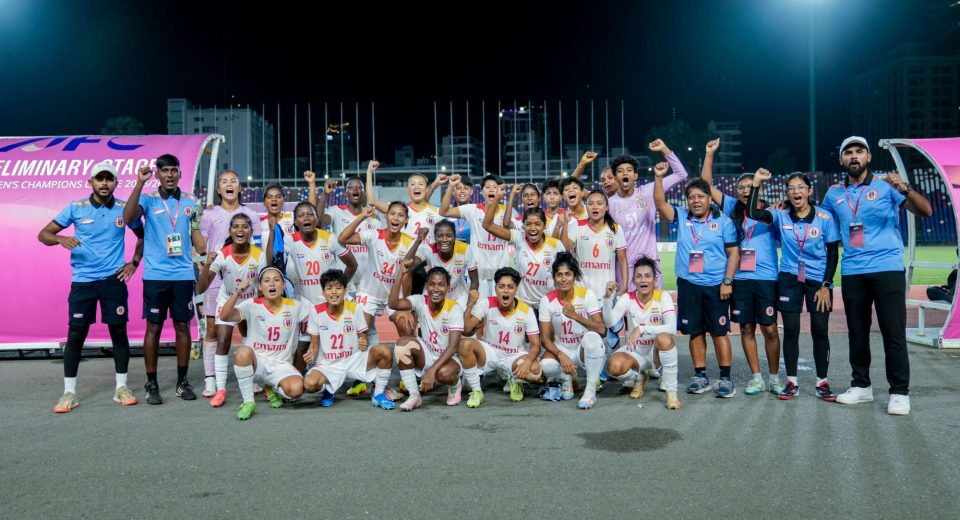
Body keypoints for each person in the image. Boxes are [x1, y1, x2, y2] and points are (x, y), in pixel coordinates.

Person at [822, 136, 932, 415]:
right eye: (848, 152)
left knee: (892, 332)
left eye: (859, 151)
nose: (854, 156)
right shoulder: (834, 194)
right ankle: (861, 386)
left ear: (869, 157)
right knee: (857, 333)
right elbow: (820, 226)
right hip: (853, 271)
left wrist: (904, 187)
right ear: (841, 160)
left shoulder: (887, 184)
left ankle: (899, 392)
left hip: (887, 268)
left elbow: (925, 211)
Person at [39, 161, 144, 412]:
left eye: (109, 179)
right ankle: (69, 393)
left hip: (113, 282)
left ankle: (121, 388)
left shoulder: (124, 210)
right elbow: (43, 234)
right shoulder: (76, 207)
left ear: (116, 184)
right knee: (76, 335)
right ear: (91, 182)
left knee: (118, 333)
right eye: (100, 179)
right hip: (83, 282)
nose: (105, 183)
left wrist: (134, 263)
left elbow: (143, 236)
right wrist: (61, 239)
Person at [748, 169, 840, 401]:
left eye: (800, 187)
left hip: (818, 281)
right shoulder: (781, 215)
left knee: (820, 330)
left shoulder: (825, 217)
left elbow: (832, 254)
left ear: (809, 191)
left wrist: (826, 285)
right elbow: (752, 212)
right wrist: (757, 183)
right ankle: (792, 381)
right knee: (791, 330)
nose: (796, 191)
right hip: (789, 278)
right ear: (787, 193)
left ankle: (822, 383)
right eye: (791, 188)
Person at [701, 140, 783, 396]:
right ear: (736, 192)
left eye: (751, 186)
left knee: (769, 328)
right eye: (742, 187)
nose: (746, 190)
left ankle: (774, 376)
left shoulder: (772, 212)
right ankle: (756, 377)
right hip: (740, 279)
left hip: (766, 278)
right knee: (746, 328)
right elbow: (705, 186)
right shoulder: (730, 207)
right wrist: (709, 154)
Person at [653, 162, 740, 398]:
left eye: (701, 196)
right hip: (688, 285)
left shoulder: (723, 222)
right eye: (691, 197)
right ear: (687, 201)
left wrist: (727, 281)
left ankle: (725, 378)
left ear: (709, 199)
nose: (696, 200)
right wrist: (658, 178)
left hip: (715, 285)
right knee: (695, 332)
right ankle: (700, 376)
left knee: (720, 332)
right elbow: (660, 203)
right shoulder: (681, 217)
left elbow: (734, 253)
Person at [123, 156, 203, 405]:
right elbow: (127, 218)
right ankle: (152, 384)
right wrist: (139, 183)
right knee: (154, 328)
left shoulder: (191, 202)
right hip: (156, 276)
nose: (169, 175)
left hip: (182, 274)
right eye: (164, 170)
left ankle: (182, 382)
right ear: (157, 174)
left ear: (179, 173)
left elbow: (199, 239)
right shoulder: (147, 199)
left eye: (173, 171)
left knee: (182, 327)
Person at [196, 170, 263, 398]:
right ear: (218, 189)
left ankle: (252, 375)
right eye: (224, 182)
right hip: (218, 277)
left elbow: (258, 248)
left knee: (248, 327)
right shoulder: (208, 214)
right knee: (213, 330)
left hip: (244, 278)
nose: (229, 184)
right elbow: (201, 246)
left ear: (240, 187)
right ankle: (211, 380)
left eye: (233, 180)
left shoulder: (250, 214)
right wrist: (203, 264)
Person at [218, 267, 309, 420]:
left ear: (283, 285)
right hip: (256, 363)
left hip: (281, 365)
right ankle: (249, 402)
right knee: (242, 352)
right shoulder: (251, 304)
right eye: (266, 281)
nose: (271, 284)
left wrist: (313, 346)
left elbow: (316, 323)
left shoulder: (295, 306)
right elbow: (225, 316)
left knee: (297, 390)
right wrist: (237, 293)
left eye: (276, 280)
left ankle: (272, 387)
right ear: (260, 286)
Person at [303, 269, 396, 410]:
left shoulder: (356, 308)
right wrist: (311, 353)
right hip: (329, 364)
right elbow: (314, 344)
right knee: (309, 384)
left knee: (385, 351)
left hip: (354, 359)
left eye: (338, 288)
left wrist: (363, 341)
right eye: (329, 288)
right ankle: (329, 389)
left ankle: (378, 394)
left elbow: (362, 336)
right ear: (323, 292)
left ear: (345, 290)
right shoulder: (316, 311)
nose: (334, 292)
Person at [607, 139, 688, 292]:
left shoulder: (649, 190)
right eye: (620, 171)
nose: (625, 173)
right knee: (628, 312)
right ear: (616, 177)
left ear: (635, 176)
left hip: (650, 263)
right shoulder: (609, 204)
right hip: (625, 266)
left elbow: (681, 174)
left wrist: (664, 149)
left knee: (655, 310)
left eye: (629, 170)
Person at [337, 203, 426, 340]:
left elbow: (407, 270)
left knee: (407, 328)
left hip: (395, 296)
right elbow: (343, 238)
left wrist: (407, 308)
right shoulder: (374, 235)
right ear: (386, 216)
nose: (396, 218)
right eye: (392, 214)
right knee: (359, 333)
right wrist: (363, 216)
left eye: (401, 215)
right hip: (369, 293)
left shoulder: (411, 243)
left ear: (406, 220)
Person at [603, 258, 681, 410]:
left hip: (655, 353)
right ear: (633, 280)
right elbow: (609, 322)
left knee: (664, 338)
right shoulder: (627, 298)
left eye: (647, 276)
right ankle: (639, 377)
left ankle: (672, 394)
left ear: (655, 279)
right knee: (614, 366)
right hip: (635, 352)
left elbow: (672, 327)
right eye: (638, 276)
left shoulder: (663, 297)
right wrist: (607, 298)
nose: (643, 280)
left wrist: (643, 328)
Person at [387, 264, 468, 410]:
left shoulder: (454, 308)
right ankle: (414, 395)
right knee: (402, 344)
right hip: (428, 354)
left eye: (441, 285)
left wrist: (432, 371)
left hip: (449, 358)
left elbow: (453, 346)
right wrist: (400, 275)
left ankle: (455, 386)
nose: (436, 289)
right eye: (432, 284)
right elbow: (393, 303)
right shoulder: (419, 300)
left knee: (443, 374)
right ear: (426, 286)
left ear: (448, 287)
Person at [458, 267, 542, 407]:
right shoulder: (487, 303)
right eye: (501, 286)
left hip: (514, 356)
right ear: (495, 288)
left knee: (535, 369)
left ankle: (513, 380)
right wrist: (470, 304)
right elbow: (466, 329)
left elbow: (535, 345)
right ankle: (477, 391)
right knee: (465, 344)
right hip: (490, 352)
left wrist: (527, 360)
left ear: (516, 289)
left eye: (510, 287)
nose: (505, 291)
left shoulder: (526, 311)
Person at [537, 252, 607, 409]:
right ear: (554, 277)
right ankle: (566, 378)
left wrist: (576, 316)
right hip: (562, 348)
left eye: (568, 274)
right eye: (559, 275)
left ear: (575, 276)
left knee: (592, 338)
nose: (564, 279)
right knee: (546, 365)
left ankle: (590, 392)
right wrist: (561, 355)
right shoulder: (547, 300)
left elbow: (602, 330)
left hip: (583, 349)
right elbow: (545, 339)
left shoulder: (587, 295)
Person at [482, 185, 566, 311]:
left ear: (545, 226)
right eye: (528, 224)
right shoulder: (518, 237)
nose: (532, 228)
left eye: (538, 224)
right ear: (523, 226)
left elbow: (563, 275)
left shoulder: (556, 245)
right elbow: (487, 225)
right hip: (523, 306)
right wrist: (498, 197)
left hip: (547, 305)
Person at [438, 173, 511, 299]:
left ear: (501, 190)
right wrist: (450, 186)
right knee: (478, 314)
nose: (492, 189)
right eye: (487, 187)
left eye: (495, 187)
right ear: (482, 191)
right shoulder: (472, 210)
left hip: (500, 276)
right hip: (479, 277)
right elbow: (444, 211)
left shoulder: (508, 213)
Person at [558, 190, 628, 296]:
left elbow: (622, 260)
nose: (594, 207)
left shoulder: (616, 229)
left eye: (599, 203)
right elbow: (565, 248)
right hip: (582, 292)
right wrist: (566, 224)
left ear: (606, 207)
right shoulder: (577, 225)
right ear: (586, 207)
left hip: (607, 294)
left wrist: (625, 286)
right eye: (590, 204)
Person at [321, 175, 380, 295]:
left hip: (367, 281)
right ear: (345, 193)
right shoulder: (336, 211)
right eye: (351, 187)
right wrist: (324, 195)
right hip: (344, 278)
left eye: (359, 187)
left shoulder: (374, 217)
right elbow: (320, 222)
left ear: (363, 193)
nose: (355, 189)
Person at [402, 220, 479, 309]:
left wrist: (470, 303)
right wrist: (418, 240)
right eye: (440, 236)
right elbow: (406, 266)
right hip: (436, 296)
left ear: (455, 237)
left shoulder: (465, 249)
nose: (444, 240)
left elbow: (474, 280)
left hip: (459, 297)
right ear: (435, 238)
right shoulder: (428, 249)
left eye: (449, 236)